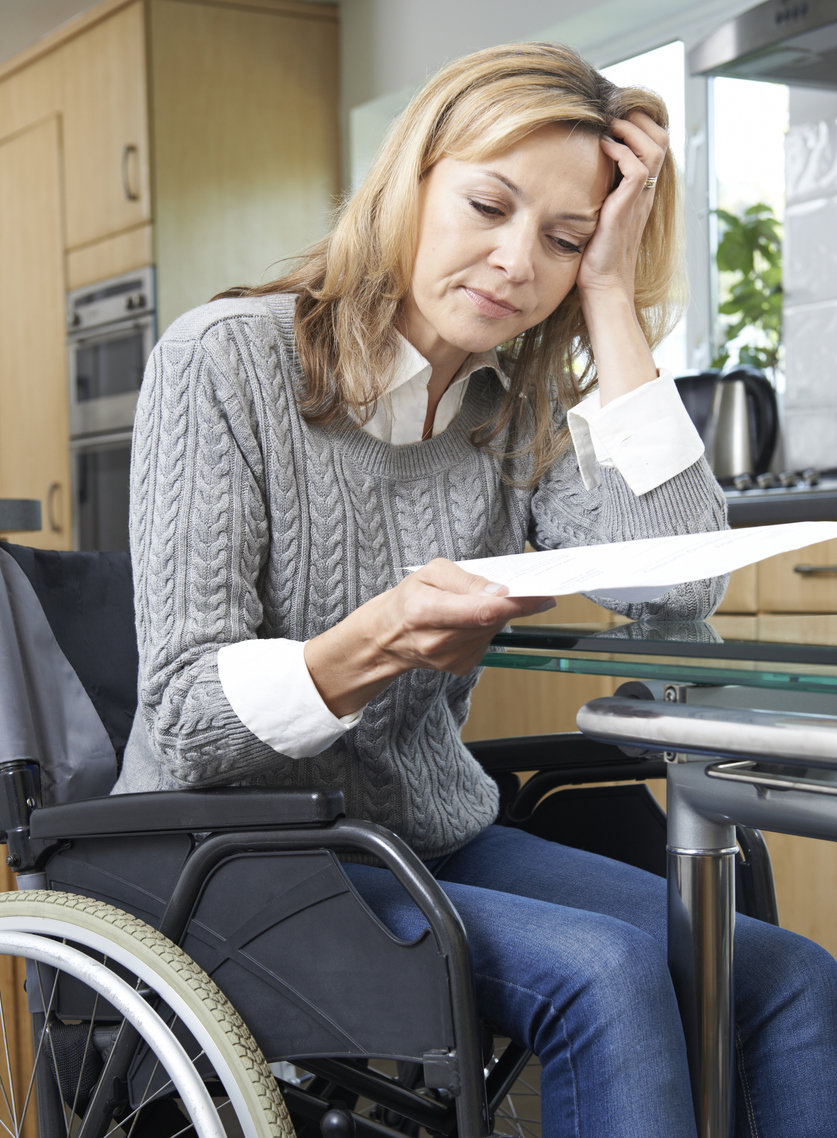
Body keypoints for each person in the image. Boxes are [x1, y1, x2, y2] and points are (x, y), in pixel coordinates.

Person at [115, 41, 837, 1138]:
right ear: (410, 180)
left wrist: (610, 299)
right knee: (608, 971)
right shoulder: (223, 361)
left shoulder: (518, 412)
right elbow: (188, 718)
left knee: (785, 975)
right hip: (230, 855)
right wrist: (385, 639)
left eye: (564, 238)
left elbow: (679, 590)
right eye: (488, 206)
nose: (516, 262)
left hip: (427, 835)